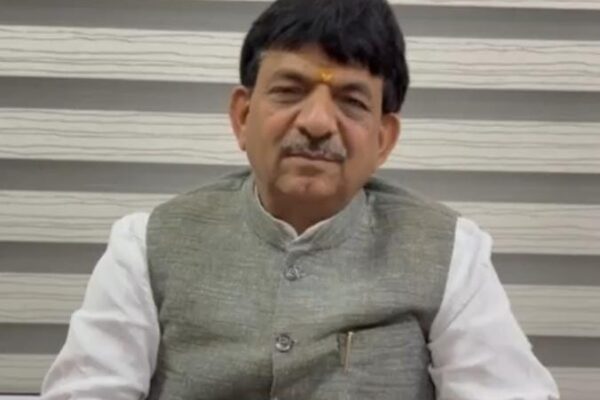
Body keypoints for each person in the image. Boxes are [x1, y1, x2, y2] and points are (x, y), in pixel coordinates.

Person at [41, 0, 559, 399]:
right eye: (289, 90)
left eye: (351, 101)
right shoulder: (145, 246)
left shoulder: (450, 254)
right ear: (243, 116)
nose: (315, 123)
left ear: (383, 139)